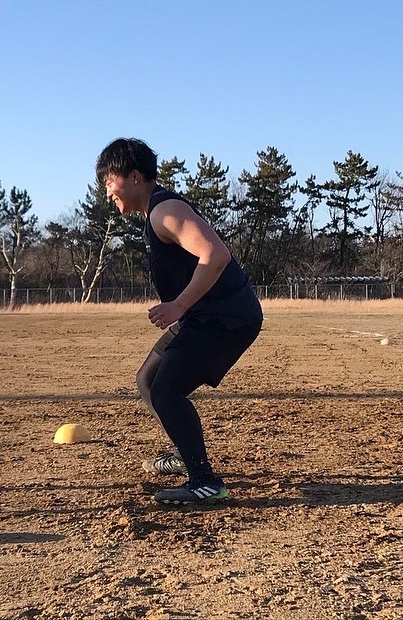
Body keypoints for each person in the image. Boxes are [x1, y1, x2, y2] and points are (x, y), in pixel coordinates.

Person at [96, 138, 263, 506]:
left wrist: (178, 305)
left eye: (109, 181)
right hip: (205, 314)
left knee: (166, 391)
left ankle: (204, 482)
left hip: (226, 317)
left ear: (134, 176)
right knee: (148, 379)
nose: (107, 192)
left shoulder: (164, 211)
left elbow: (215, 255)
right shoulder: (154, 214)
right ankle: (184, 455)